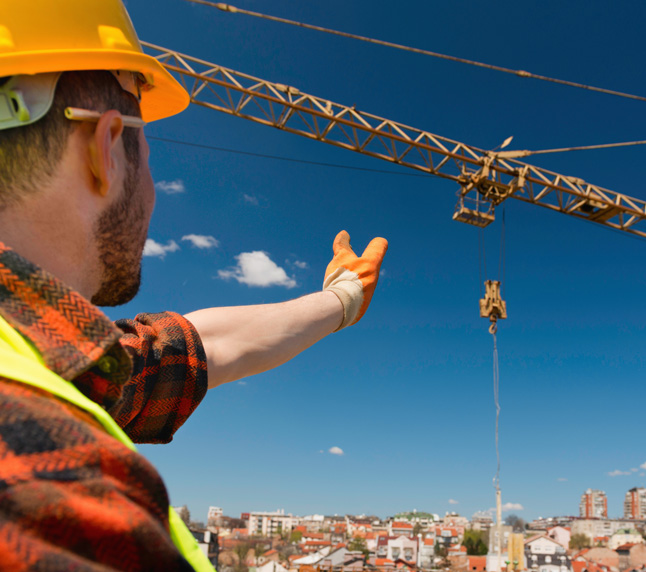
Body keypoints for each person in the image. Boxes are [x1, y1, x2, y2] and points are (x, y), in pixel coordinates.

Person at [0, 2, 387, 570]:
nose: (153, 191)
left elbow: (198, 346)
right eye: (149, 157)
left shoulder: (40, 352)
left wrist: (338, 302)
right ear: (105, 147)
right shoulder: (44, 474)